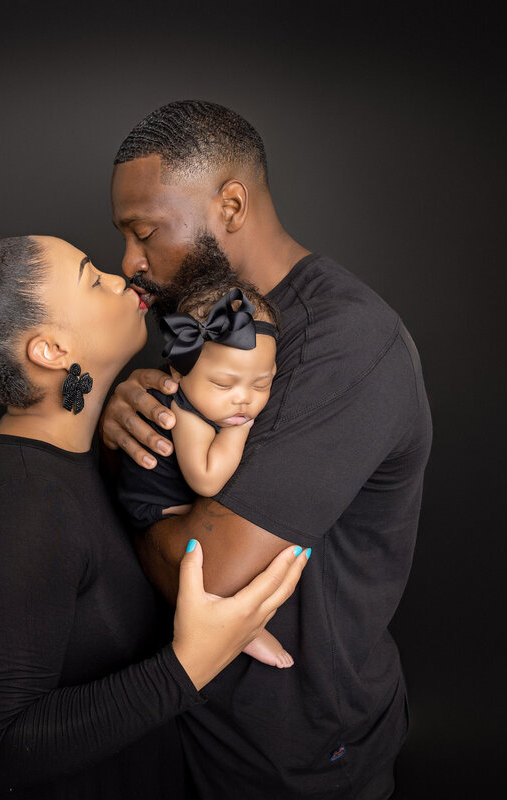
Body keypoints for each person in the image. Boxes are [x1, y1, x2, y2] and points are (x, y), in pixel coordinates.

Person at [0, 201, 310, 799]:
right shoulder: (21, 507)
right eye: (92, 278)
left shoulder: (80, 463)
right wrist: (189, 664)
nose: (120, 277)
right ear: (51, 350)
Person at [101, 100, 433, 799]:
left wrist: (134, 514)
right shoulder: (208, 318)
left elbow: (211, 579)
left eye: (145, 232)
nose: (129, 263)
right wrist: (126, 419)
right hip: (186, 729)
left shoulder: (348, 344)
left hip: (294, 758)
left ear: (229, 205)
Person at [116, 247, 292, 668]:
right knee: (209, 557)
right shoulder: (186, 413)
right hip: (155, 507)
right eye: (224, 384)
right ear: (179, 372)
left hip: (175, 499)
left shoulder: (211, 400)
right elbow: (207, 479)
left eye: (261, 384)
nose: (243, 399)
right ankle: (242, 630)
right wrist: (238, 430)